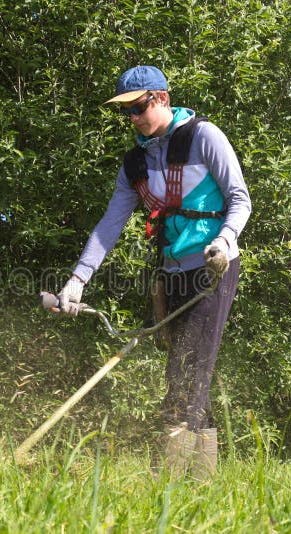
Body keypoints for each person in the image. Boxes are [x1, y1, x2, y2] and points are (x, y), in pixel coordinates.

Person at [56, 65, 251, 479]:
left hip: (212, 269)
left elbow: (239, 197)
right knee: (192, 373)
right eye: (126, 111)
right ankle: (200, 486)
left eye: (139, 106)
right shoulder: (135, 162)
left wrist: (225, 240)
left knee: (184, 370)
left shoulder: (203, 136)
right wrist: (77, 280)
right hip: (171, 274)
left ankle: (165, 482)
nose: (134, 118)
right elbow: (110, 223)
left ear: (161, 98)